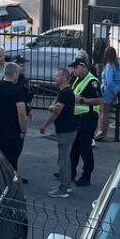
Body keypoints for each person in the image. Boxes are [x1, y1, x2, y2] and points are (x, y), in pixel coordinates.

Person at [0, 62, 28, 173]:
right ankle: (11, 178)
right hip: (13, 130)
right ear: (15, 73)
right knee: (12, 159)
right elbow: (21, 113)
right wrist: (23, 130)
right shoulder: (17, 90)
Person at [39, 68, 77, 198]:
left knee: (63, 160)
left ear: (65, 78)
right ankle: (66, 184)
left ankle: (64, 187)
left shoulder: (65, 93)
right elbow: (55, 106)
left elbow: (56, 111)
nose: (55, 78)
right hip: (68, 129)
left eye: (57, 76)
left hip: (66, 130)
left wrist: (45, 125)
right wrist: (52, 107)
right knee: (66, 159)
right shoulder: (64, 92)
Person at [68, 58, 102, 187]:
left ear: (83, 67)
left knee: (85, 148)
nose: (74, 70)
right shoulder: (78, 79)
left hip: (87, 118)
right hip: (77, 118)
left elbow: (99, 100)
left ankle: (86, 176)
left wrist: (82, 100)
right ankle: (70, 172)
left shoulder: (92, 81)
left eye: (75, 67)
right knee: (74, 148)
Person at [95, 46, 120, 142]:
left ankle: (102, 132)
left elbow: (109, 82)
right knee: (105, 112)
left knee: (103, 112)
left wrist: (112, 92)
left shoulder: (109, 66)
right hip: (119, 89)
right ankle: (102, 132)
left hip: (108, 91)